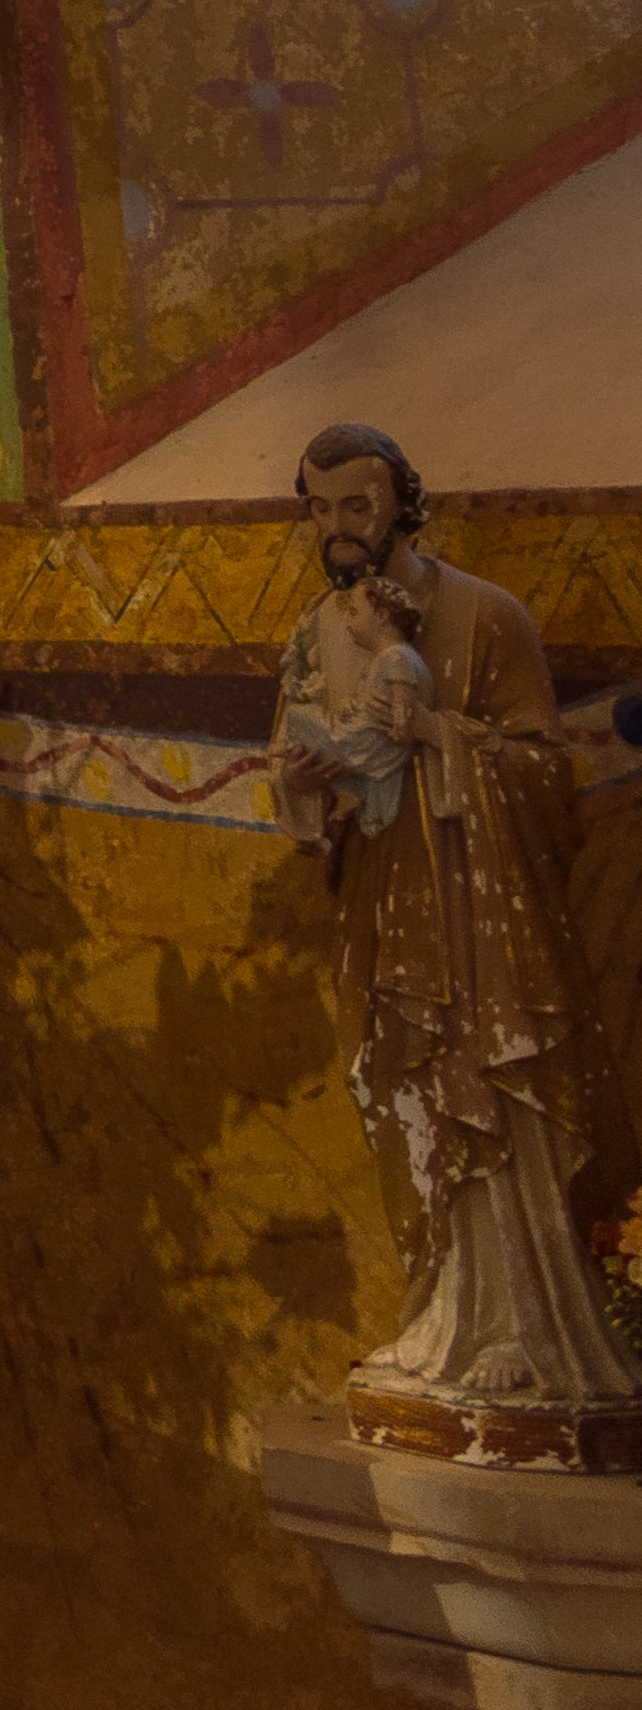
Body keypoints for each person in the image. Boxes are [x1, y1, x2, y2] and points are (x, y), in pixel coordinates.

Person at [275, 422, 642, 1427]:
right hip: (384, 903)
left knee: (495, 1091)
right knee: (414, 1103)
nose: (340, 526)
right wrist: (302, 784)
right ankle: (445, 1314)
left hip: (484, 912)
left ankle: (529, 1325)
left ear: (402, 502)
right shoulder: (314, 633)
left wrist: (434, 734)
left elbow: (546, 774)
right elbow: (299, 790)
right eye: (320, 507)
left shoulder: (486, 615)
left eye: (358, 504)